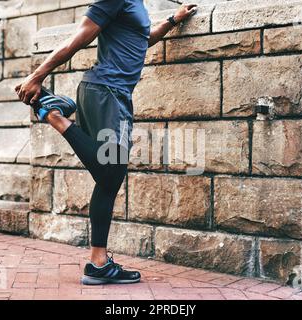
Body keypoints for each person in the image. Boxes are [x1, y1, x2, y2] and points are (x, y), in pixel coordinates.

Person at [15, 0, 197, 285]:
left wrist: (172, 21)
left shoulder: (135, 4)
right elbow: (80, 36)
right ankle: (53, 115)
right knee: (111, 172)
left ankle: (99, 263)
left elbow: (142, 40)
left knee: (109, 179)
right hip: (105, 92)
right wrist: (38, 75)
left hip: (114, 95)